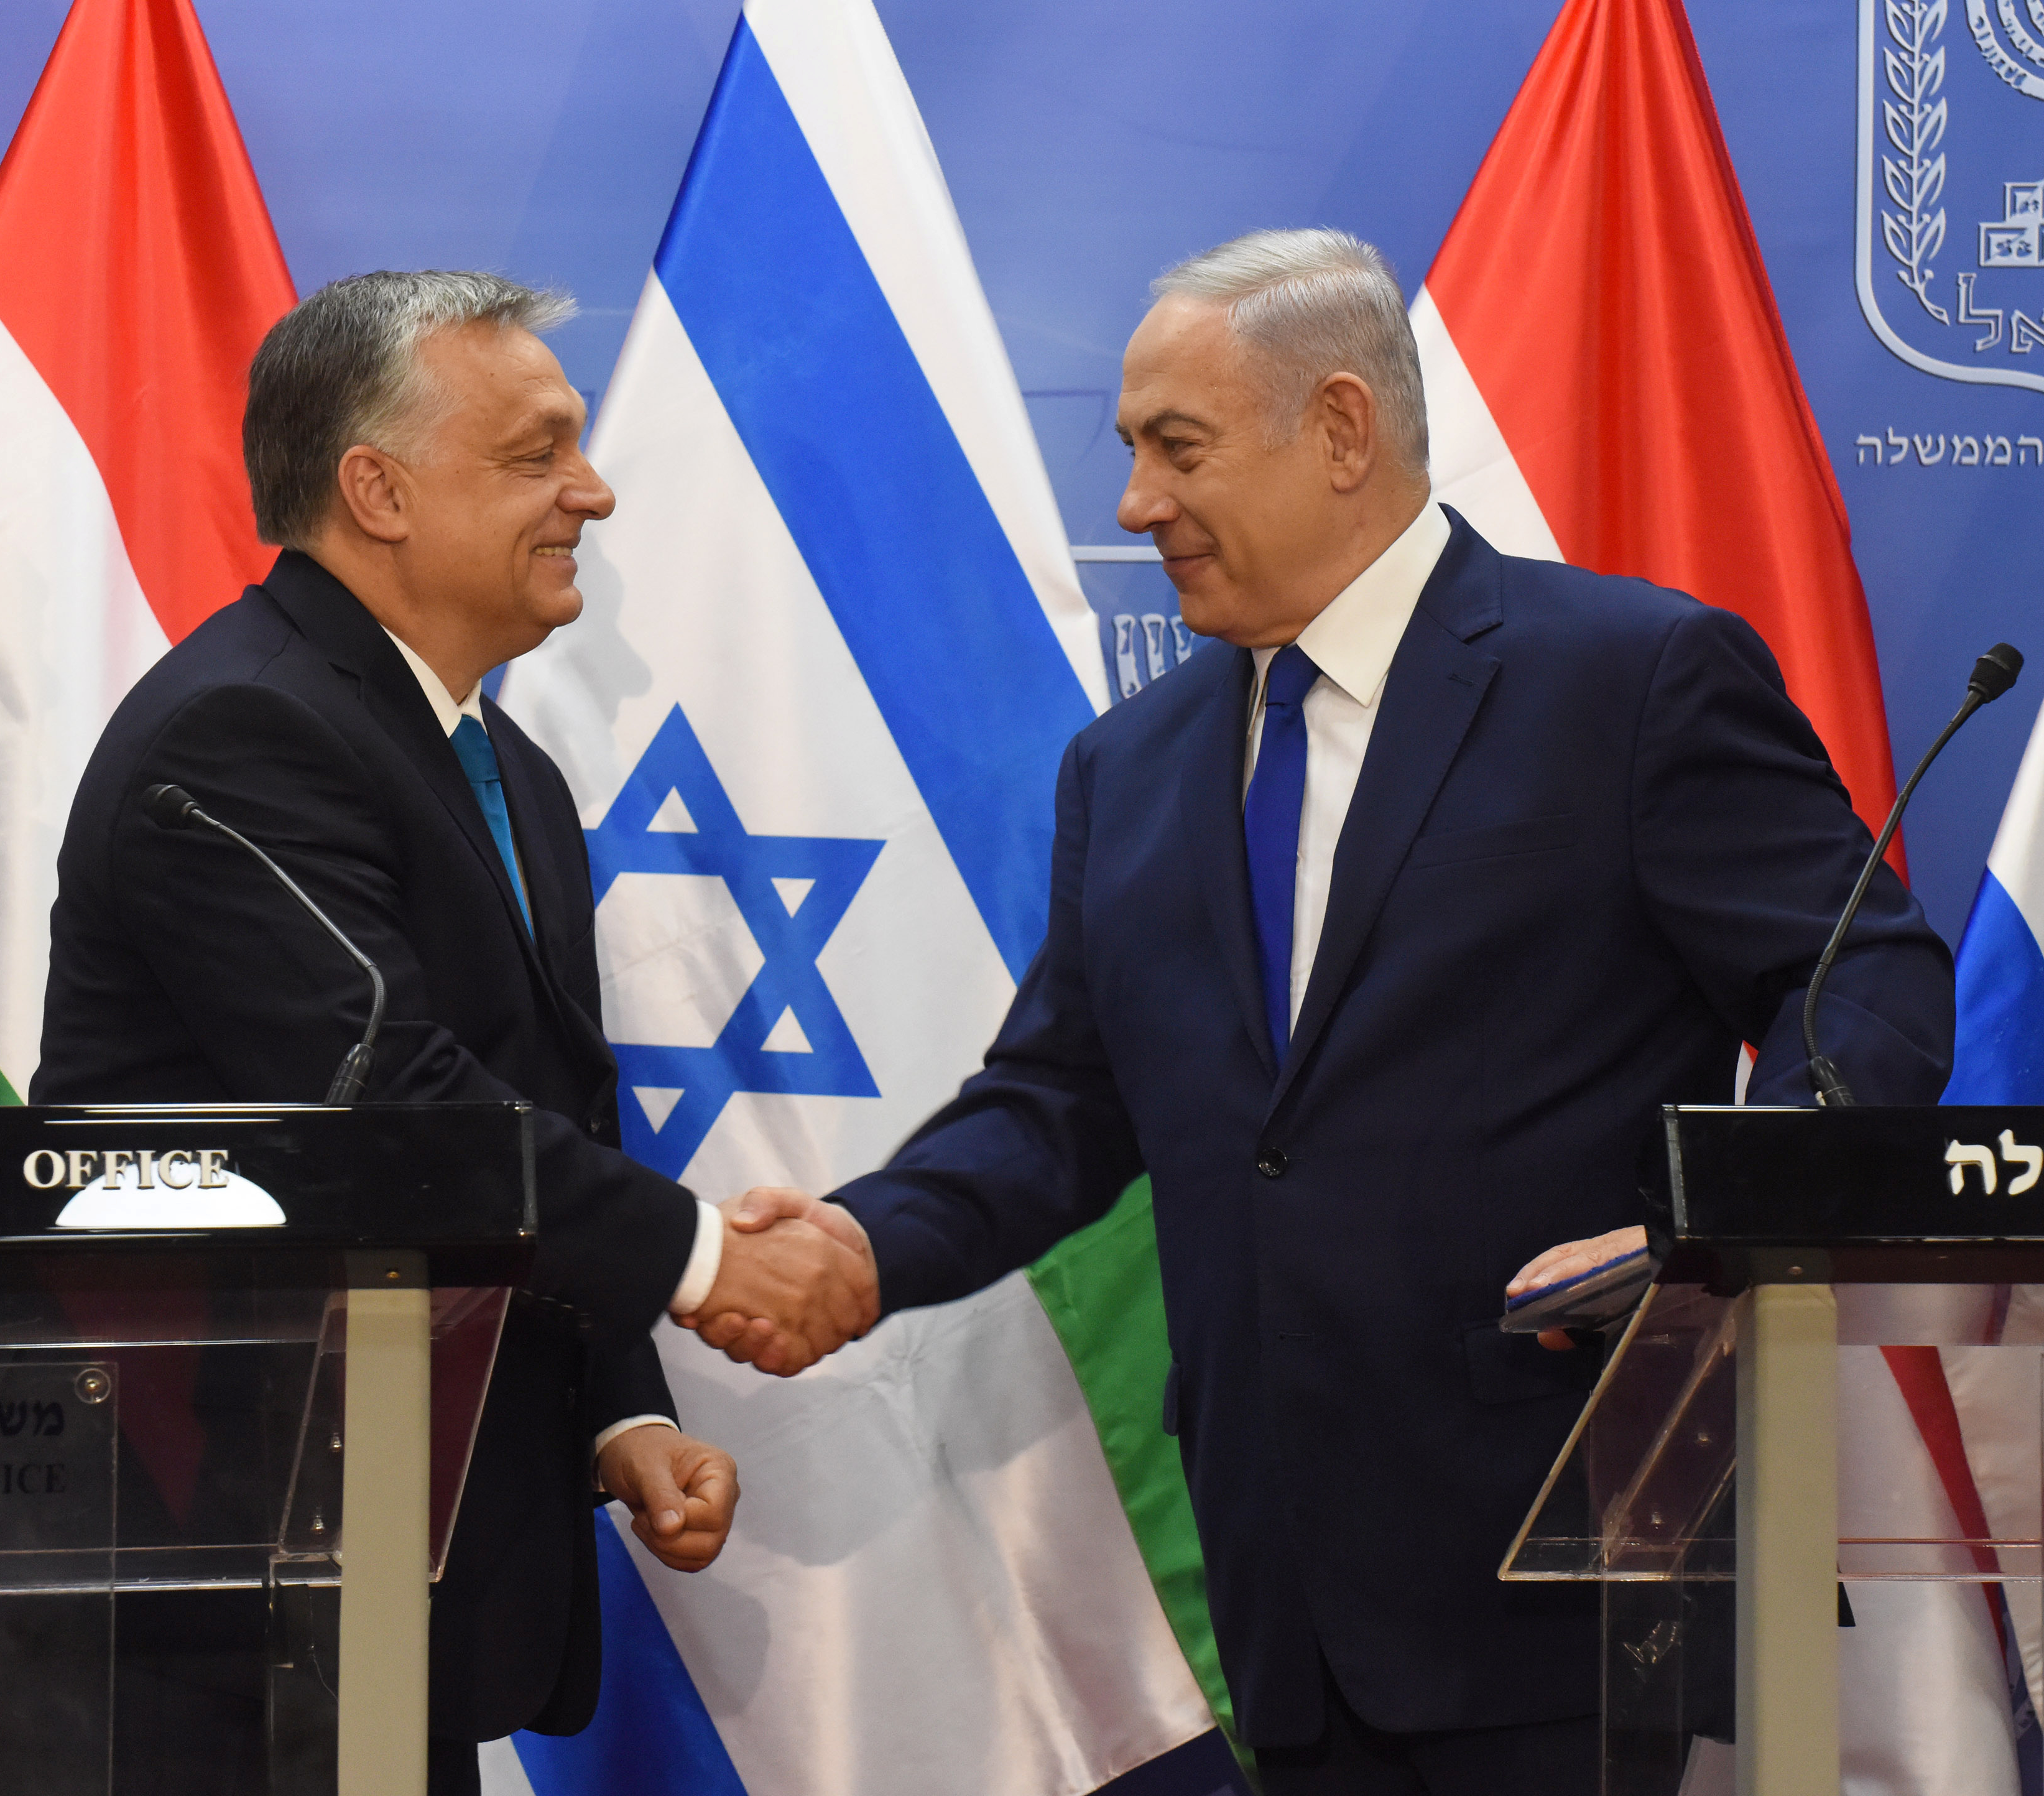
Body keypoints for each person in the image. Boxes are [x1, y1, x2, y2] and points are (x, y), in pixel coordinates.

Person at [677, 230, 1956, 1795]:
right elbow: (1063, 1099)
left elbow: (1858, 978)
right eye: (1133, 450)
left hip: (1566, 1552)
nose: (1136, 501)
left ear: (1340, 429)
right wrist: (867, 1244)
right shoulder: (1129, 768)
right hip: (1283, 1580)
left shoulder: (1628, 679)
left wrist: (1722, 1231)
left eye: (1175, 446)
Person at [31, 271, 877, 1794]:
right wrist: (703, 1260)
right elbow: (398, 1108)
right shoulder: (242, 732)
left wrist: (620, 1399)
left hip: (382, 1568)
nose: (593, 490)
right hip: (215, 1590)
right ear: (378, 489)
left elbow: (534, 1105)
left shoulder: (507, 767)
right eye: (537, 451)